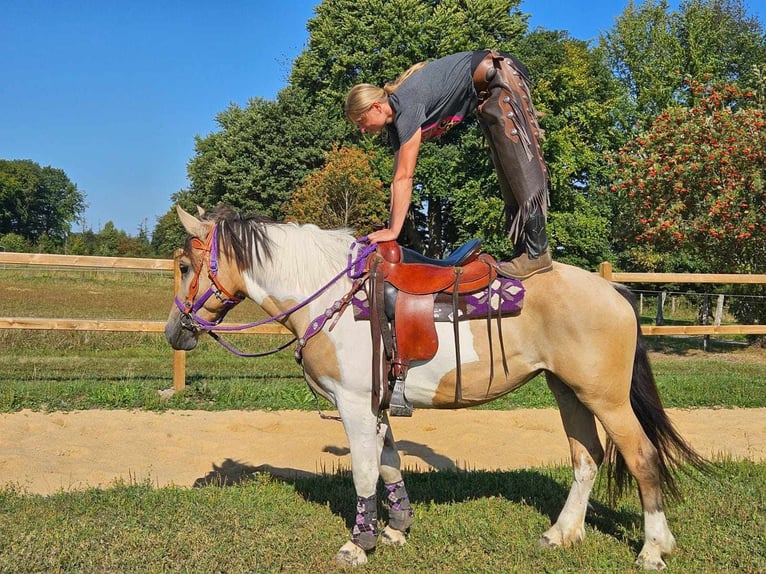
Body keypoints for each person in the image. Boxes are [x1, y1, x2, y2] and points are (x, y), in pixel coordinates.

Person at [345, 50, 553, 280]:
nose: (362, 130)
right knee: (506, 176)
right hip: (486, 91)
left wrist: (394, 230)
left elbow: (406, 177)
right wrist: (390, 229)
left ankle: (537, 253)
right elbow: (397, 180)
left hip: (499, 75)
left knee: (517, 164)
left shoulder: (405, 104)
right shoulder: (395, 123)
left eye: (361, 121)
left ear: (376, 107)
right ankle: (523, 250)